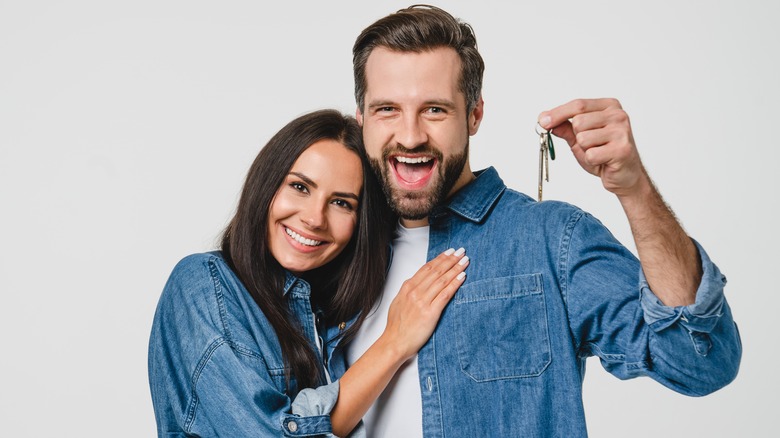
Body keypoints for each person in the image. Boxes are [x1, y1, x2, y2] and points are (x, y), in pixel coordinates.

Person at [344, 5, 742, 437]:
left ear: (474, 115)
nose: (410, 135)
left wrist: (635, 189)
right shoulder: (331, 250)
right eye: (387, 109)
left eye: (435, 110)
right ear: (362, 117)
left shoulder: (552, 240)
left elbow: (699, 361)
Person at [147, 109, 471, 437]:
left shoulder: (324, 319)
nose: (315, 218)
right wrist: (394, 343)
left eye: (342, 203)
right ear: (266, 185)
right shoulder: (203, 284)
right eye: (300, 187)